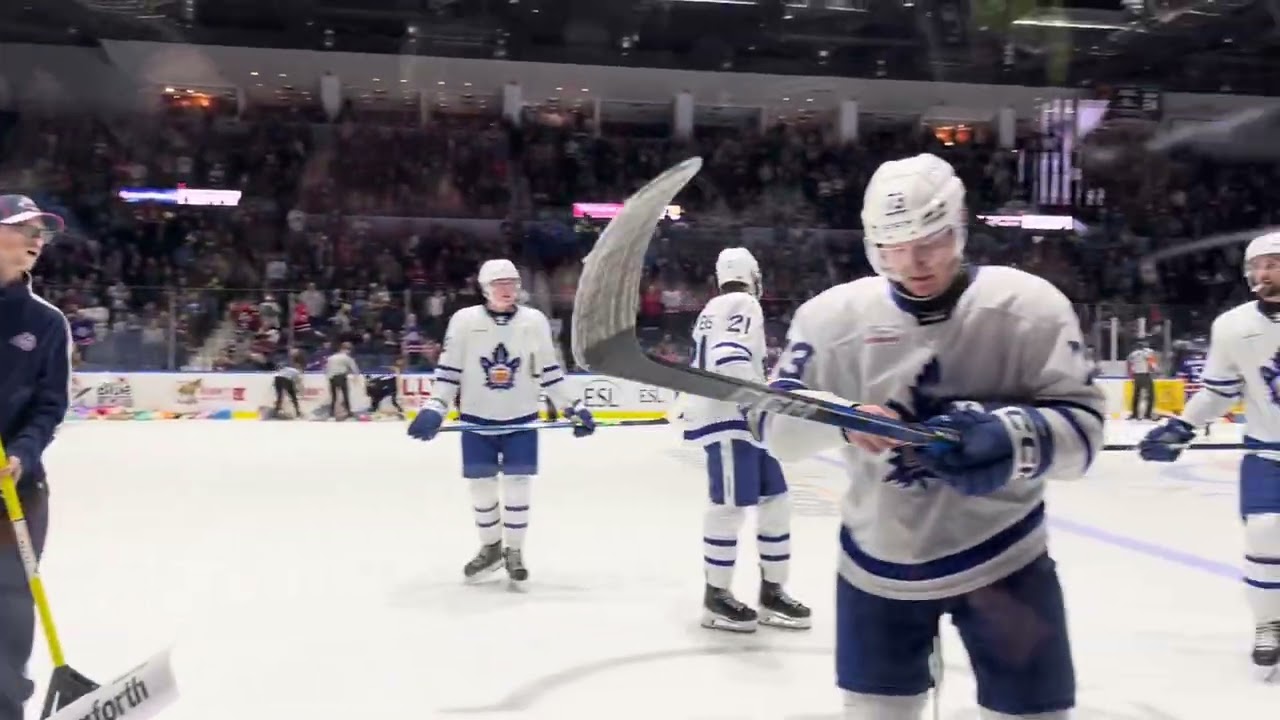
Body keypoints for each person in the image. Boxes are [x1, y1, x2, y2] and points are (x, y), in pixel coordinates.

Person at [756, 155, 1105, 719]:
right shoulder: (831, 318)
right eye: (892, 248)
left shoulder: (1029, 308)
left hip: (1005, 560)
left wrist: (1012, 436)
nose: (913, 263)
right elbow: (772, 426)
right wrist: (842, 415)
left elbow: (1086, 433)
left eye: (931, 241)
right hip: (877, 564)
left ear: (960, 227)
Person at [1138, 231, 1280, 681]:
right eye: (1258, 265)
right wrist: (1183, 427)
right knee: (1264, 534)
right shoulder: (1235, 326)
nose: (1263, 273)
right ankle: (1267, 625)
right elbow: (1221, 392)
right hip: (1268, 454)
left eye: (1273, 264)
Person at [406, 259, 596, 586]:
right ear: (484, 288)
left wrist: (573, 406)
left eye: (512, 283)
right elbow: (449, 371)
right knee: (481, 490)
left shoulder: (534, 321)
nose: (508, 290)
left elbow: (549, 371)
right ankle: (491, 547)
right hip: (477, 422)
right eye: (500, 284)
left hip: (520, 419)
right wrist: (435, 407)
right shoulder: (464, 321)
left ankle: (515, 551)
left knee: (518, 487)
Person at [678, 247, 809, 632]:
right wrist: (761, 403)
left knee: (776, 501)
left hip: (742, 420)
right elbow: (728, 359)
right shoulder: (742, 302)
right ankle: (716, 597)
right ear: (753, 273)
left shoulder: (713, 307)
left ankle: (772, 591)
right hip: (733, 419)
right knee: (729, 506)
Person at [0, 195, 73, 720]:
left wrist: (21, 457)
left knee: (9, 607)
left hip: (16, 493)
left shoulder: (46, 323)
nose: (37, 240)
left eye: (42, 233)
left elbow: (50, 406)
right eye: (24, 228)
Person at [324, 342, 360, 420]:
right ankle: (348, 411)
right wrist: (356, 377)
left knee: (334, 397)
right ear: (346, 350)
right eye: (349, 350)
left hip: (332, 378)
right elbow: (355, 369)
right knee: (345, 395)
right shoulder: (347, 358)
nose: (349, 352)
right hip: (341, 377)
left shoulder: (331, 357)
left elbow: (326, 368)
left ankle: (331, 412)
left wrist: (328, 377)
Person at [1126, 340, 1158, 420]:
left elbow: (1129, 365)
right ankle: (1148, 413)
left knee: (1136, 395)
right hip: (1145, 375)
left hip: (1136, 375)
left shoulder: (1132, 354)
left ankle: (1134, 414)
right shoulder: (1147, 352)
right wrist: (1156, 370)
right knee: (1151, 395)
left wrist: (1130, 376)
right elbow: (1151, 363)